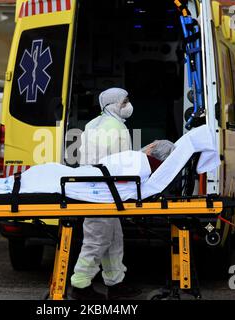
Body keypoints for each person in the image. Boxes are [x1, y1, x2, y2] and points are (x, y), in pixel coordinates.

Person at [70, 87, 143, 300]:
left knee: (113, 237)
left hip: (94, 189)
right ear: (113, 105)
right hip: (107, 191)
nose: (127, 106)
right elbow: (123, 163)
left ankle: (115, 281)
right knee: (97, 239)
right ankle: (80, 285)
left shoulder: (92, 124)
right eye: (124, 102)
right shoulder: (117, 127)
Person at [0, 141, 176, 202]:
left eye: (152, 143)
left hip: (82, 180)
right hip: (86, 176)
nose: (148, 144)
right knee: (43, 173)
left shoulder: (139, 161)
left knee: (39, 178)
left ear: (152, 150)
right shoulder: (142, 165)